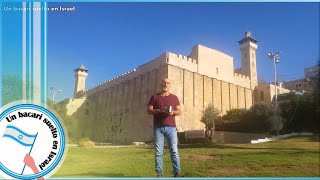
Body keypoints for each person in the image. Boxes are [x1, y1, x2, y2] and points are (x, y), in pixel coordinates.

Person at [147, 78, 181, 177]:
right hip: (158, 128)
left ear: (170, 85)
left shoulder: (174, 98)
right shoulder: (154, 97)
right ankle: (159, 173)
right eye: (164, 82)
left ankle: (176, 172)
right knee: (158, 152)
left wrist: (172, 112)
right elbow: (149, 110)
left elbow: (179, 111)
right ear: (161, 84)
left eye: (168, 83)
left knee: (174, 150)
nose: (165, 84)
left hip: (171, 128)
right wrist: (160, 110)